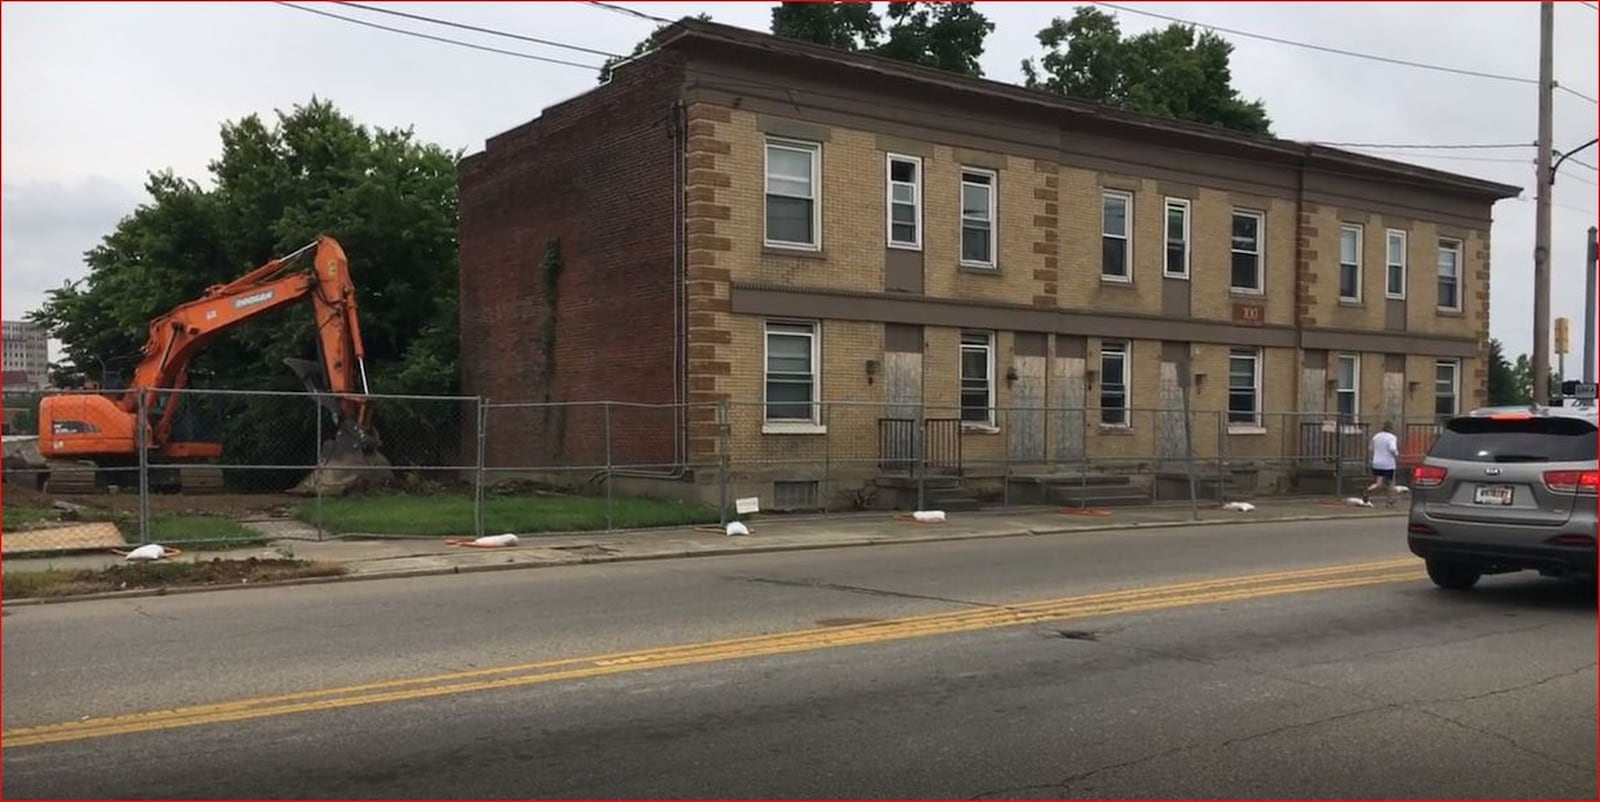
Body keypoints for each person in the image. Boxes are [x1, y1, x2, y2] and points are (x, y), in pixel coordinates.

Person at [1365, 421, 1400, 507]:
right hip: (1388, 464)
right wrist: (1396, 454)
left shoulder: (1376, 436)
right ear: (1391, 428)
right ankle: (1390, 501)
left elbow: (1370, 448)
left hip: (1377, 463)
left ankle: (1368, 490)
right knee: (1390, 483)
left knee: (1378, 483)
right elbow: (1392, 449)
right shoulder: (1392, 437)